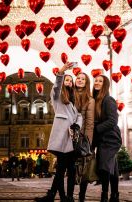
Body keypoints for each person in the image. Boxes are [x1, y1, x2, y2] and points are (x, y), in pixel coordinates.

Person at [35, 62, 82, 202]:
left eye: (70, 80)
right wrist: (61, 72)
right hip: (62, 137)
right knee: (62, 168)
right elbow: (56, 86)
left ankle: (58, 196)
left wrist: (78, 125)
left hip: (72, 137)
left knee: (66, 169)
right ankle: (61, 196)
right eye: (66, 80)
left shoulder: (73, 99)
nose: (69, 82)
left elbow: (79, 115)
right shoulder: (57, 97)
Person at [92, 75, 122, 202]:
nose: (97, 83)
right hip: (102, 138)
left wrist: (96, 129)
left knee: (104, 166)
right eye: (96, 81)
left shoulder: (109, 100)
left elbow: (112, 121)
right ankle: (115, 195)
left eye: (100, 81)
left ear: (105, 85)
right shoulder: (95, 100)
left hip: (111, 138)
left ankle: (104, 195)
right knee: (112, 167)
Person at [73, 72, 95, 202]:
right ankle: (69, 195)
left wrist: (87, 142)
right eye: (78, 78)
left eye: (83, 79)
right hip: (68, 136)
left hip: (82, 138)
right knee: (69, 167)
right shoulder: (69, 95)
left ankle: (82, 195)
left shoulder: (90, 100)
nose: (80, 80)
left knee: (83, 168)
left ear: (86, 83)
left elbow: (90, 122)